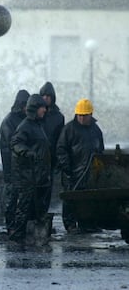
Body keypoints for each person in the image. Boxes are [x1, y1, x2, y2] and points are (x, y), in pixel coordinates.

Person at [56, 98, 104, 233]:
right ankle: (70, 224)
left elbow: (101, 149)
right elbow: (61, 150)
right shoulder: (69, 129)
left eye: (85, 115)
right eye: (80, 115)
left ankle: (87, 224)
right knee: (70, 198)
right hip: (72, 171)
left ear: (91, 115)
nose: (82, 118)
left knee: (88, 199)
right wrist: (67, 168)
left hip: (90, 172)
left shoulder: (96, 130)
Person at [8, 94, 51, 243]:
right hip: (27, 176)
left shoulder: (38, 125)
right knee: (24, 207)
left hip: (37, 175)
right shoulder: (26, 126)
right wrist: (28, 152)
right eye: (42, 107)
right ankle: (17, 237)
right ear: (34, 109)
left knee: (34, 208)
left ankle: (29, 236)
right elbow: (15, 142)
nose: (44, 110)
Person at [0, 89, 30, 235]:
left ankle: (18, 225)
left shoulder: (24, 119)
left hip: (21, 166)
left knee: (20, 198)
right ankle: (10, 225)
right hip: (11, 166)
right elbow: (11, 144)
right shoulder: (9, 121)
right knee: (12, 197)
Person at [39, 82, 65, 212]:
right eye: (43, 95)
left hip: (51, 158)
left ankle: (43, 214)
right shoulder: (37, 114)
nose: (45, 98)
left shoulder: (59, 117)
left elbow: (61, 140)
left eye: (48, 96)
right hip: (37, 157)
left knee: (48, 188)